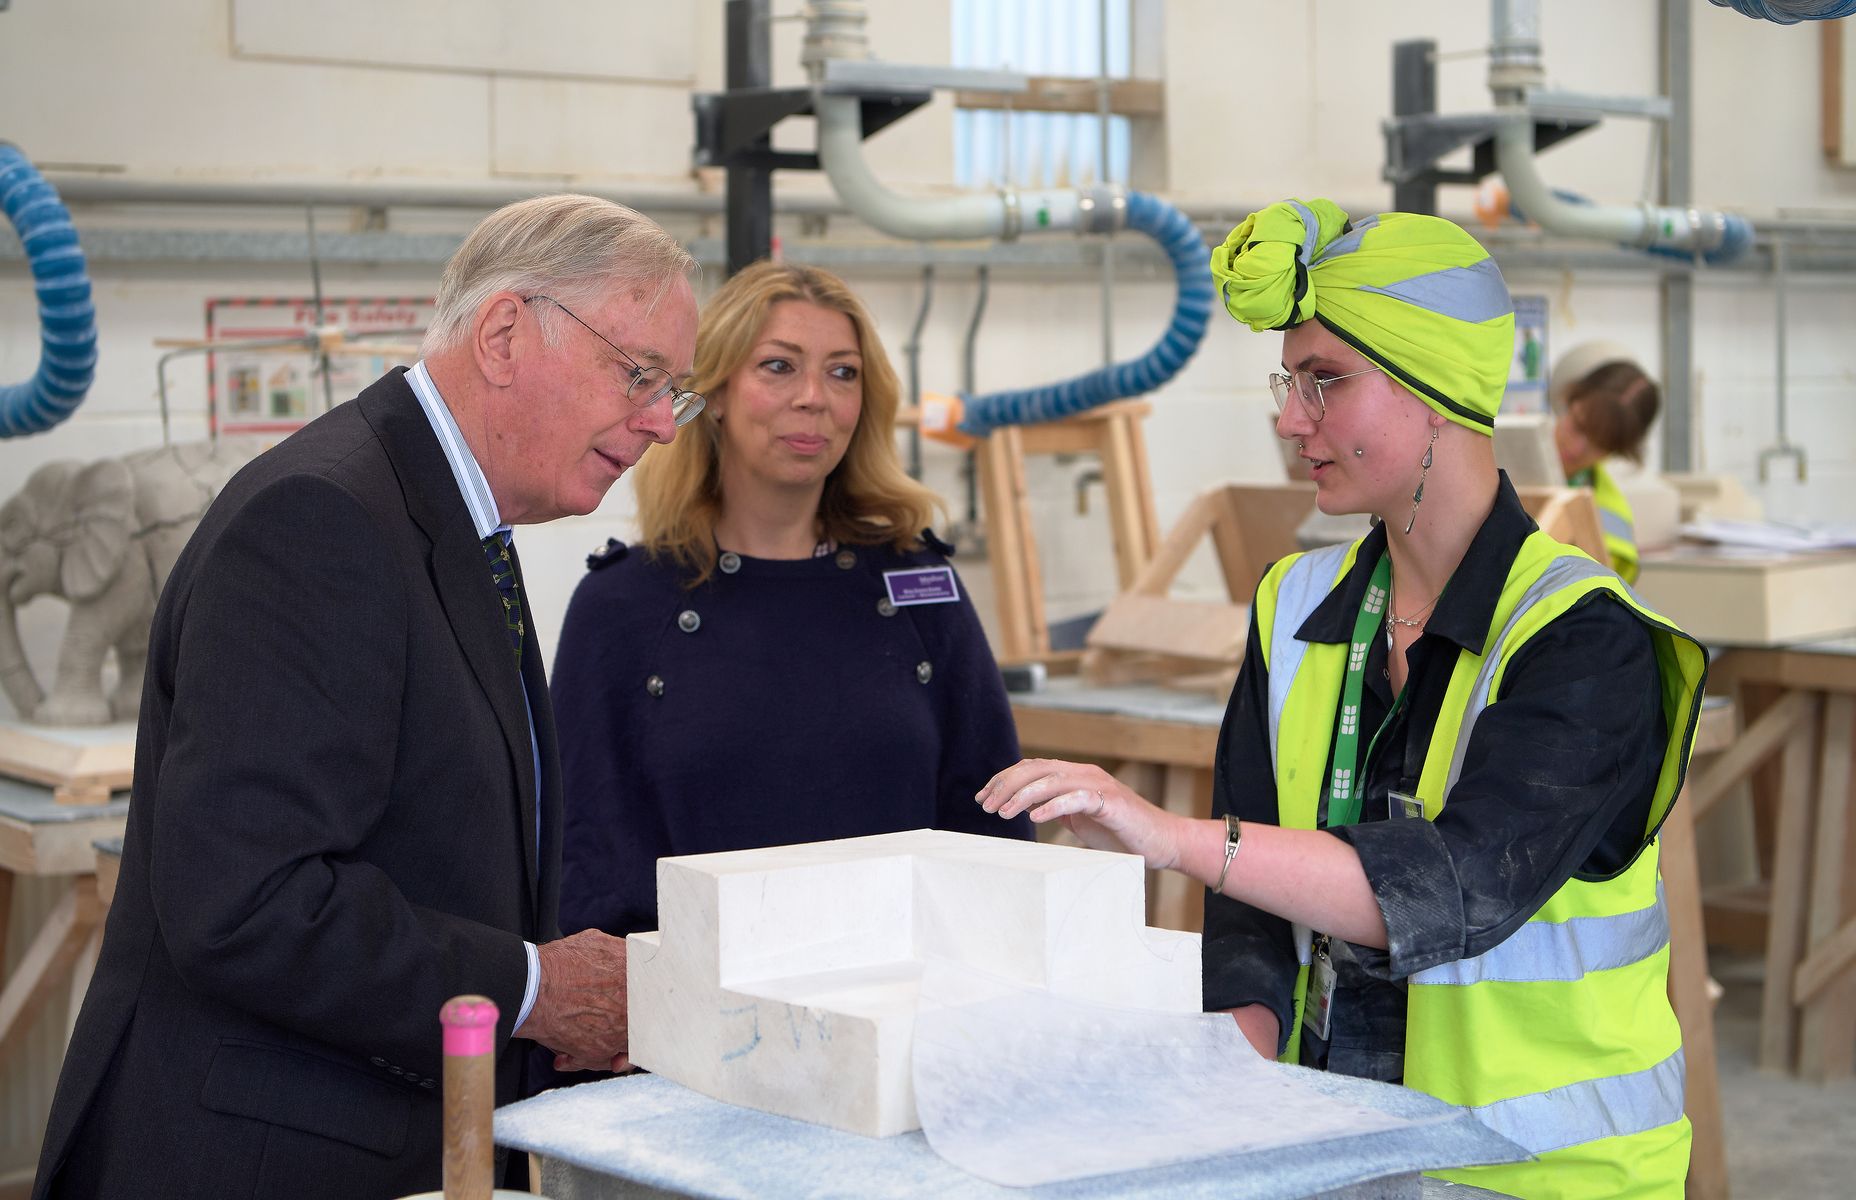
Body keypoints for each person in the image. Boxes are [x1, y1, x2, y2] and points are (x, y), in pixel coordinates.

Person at [978, 200, 1706, 1199]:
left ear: (1433, 389)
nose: (1288, 419)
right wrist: (1230, 1072)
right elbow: (1248, 902)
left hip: (1547, 1175)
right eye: (1289, 382)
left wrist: (1170, 836)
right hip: (1337, 1160)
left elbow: (1454, 885)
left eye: (1324, 382)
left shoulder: (1584, 641)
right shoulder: (1294, 606)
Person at [33, 194, 700, 1200]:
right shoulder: (323, 521)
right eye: (639, 374)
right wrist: (527, 991)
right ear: (507, 333)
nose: (658, 423)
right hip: (255, 1158)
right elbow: (248, 901)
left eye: (673, 392)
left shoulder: (448, 518)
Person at [547, 261, 1030, 979]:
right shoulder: (623, 606)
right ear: (711, 394)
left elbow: (993, 825)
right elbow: (585, 869)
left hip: (909, 1006)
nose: (814, 399)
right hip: (693, 1024)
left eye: (843, 374)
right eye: (778, 367)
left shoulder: (919, 588)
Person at [1550, 339, 1662, 584]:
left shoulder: (1612, 527)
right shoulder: (1491, 454)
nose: (1577, 448)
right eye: (1578, 424)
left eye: (1599, 444)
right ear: (1568, 397)